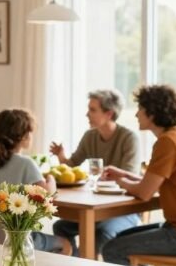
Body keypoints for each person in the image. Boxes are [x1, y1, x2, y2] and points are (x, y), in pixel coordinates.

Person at [102, 84, 176, 266]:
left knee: (112, 248)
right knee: (121, 238)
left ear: (152, 113)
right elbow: (151, 182)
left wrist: (120, 180)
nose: (136, 114)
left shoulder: (167, 143)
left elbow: (144, 193)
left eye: (140, 109)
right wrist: (124, 174)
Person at [49, 88, 141, 256]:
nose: (87, 114)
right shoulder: (90, 136)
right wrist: (61, 155)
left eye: (92, 110)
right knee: (60, 227)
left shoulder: (129, 138)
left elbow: (130, 176)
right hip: (96, 207)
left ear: (109, 114)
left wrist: (110, 177)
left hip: (122, 210)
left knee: (102, 233)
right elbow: (72, 164)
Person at [0, 109, 72, 255]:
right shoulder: (26, 163)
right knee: (65, 244)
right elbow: (47, 196)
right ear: (23, 136)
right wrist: (51, 179)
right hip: (17, 237)